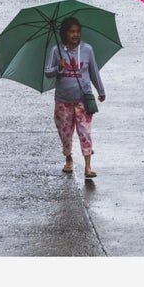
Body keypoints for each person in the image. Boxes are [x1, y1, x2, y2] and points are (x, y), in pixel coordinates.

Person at [43, 15, 106, 179]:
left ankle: (88, 166)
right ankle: (68, 159)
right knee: (65, 133)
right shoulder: (56, 51)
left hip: (83, 100)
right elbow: (47, 72)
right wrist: (59, 66)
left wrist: (101, 90)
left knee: (85, 132)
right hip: (63, 101)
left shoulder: (87, 50)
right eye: (71, 32)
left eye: (78, 31)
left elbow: (93, 71)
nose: (75, 35)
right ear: (64, 34)